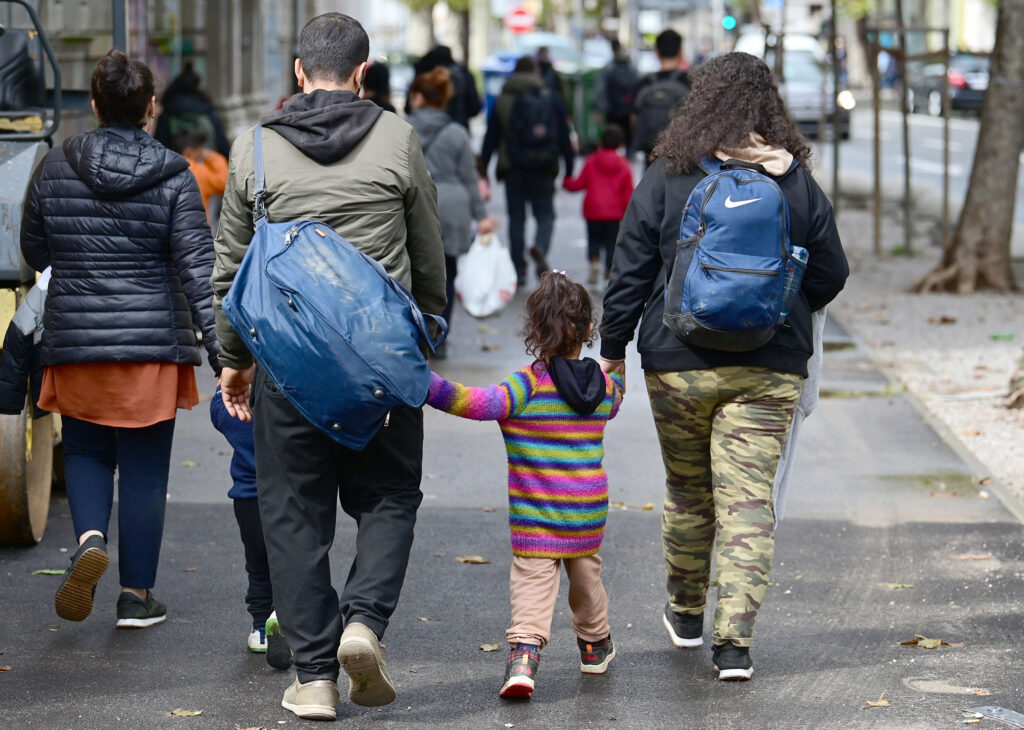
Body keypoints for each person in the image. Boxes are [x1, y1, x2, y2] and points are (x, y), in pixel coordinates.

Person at [211, 13, 446, 722]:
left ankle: (313, 678)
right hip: (381, 358)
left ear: (298, 73)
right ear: (364, 73)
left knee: (291, 512)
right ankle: (364, 623)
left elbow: (232, 270)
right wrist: (424, 336)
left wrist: (233, 360)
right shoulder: (399, 140)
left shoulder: (253, 150)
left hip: (288, 364)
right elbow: (427, 254)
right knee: (390, 494)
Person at [599, 52, 849, 681]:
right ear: (771, 104)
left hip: (676, 360)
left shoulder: (671, 172)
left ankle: (685, 614)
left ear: (698, 100)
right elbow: (833, 272)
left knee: (689, 491)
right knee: (748, 499)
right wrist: (781, 303)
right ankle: (733, 643)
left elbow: (628, 268)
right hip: (769, 366)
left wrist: (612, 350)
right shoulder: (793, 180)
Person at [20, 49, 220, 628]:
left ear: (92, 104)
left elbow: (34, 251)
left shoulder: (56, 165)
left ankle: (87, 539)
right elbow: (195, 267)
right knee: (144, 468)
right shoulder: (176, 175)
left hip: (76, 342)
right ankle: (135, 596)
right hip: (151, 349)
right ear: (150, 108)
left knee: (82, 449)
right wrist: (226, 354)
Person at [426, 271, 624, 699]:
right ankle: (595, 648)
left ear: (534, 330)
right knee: (587, 579)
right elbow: (616, 396)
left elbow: (478, 404)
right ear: (588, 330)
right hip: (587, 511)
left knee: (533, 585)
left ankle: (523, 660)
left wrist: (425, 385)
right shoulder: (603, 386)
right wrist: (617, 369)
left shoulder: (528, 384)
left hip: (538, 515)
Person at [407, 67, 498, 358]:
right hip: (454, 208)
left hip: (415, 204)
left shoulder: (402, 128)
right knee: (446, 273)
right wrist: (481, 215)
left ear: (419, 97)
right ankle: (439, 338)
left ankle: (414, 335)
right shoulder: (457, 132)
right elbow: (471, 178)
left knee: (413, 271)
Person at [481, 56, 574, 286]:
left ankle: (518, 268)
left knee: (517, 218)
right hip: (544, 167)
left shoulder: (504, 98)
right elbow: (563, 134)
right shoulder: (550, 97)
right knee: (545, 214)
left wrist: (483, 169)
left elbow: (491, 136)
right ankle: (539, 246)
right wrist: (569, 167)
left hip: (513, 167)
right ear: (535, 72)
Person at [562, 124, 634, 286]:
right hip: (614, 212)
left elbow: (579, 183)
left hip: (593, 209)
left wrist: (566, 182)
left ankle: (594, 261)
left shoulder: (591, 161)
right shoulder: (623, 165)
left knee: (593, 239)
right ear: (621, 144)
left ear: (601, 142)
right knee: (611, 243)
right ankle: (609, 270)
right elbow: (628, 192)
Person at [632, 29, 690, 164]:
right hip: (682, 155)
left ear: (656, 52)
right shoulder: (689, 82)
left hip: (651, 153)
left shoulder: (644, 83)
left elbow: (634, 120)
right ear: (680, 51)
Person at [155, 61, 231, 157]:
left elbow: (160, 148)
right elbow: (223, 147)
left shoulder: (168, 114)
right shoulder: (209, 111)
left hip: (177, 168)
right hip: (207, 168)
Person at [410, 45, 482, 128]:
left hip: (419, 128)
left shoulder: (424, 70)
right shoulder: (462, 73)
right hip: (457, 128)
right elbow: (474, 108)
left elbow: (408, 107)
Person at [171, 128, 228, 225]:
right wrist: (213, 157)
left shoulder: (170, 167)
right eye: (200, 148)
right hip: (197, 229)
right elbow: (224, 183)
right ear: (189, 151)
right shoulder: (195, 170)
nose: (203, 151)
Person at [596, 39, 638, 154]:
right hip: (628, 111)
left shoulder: (609, 67)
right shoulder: (632, 68)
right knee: (628, 138)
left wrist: (600, 108)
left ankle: (611, 158)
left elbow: (601, 90)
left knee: (612, 138)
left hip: (612, 110)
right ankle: (628, 160)